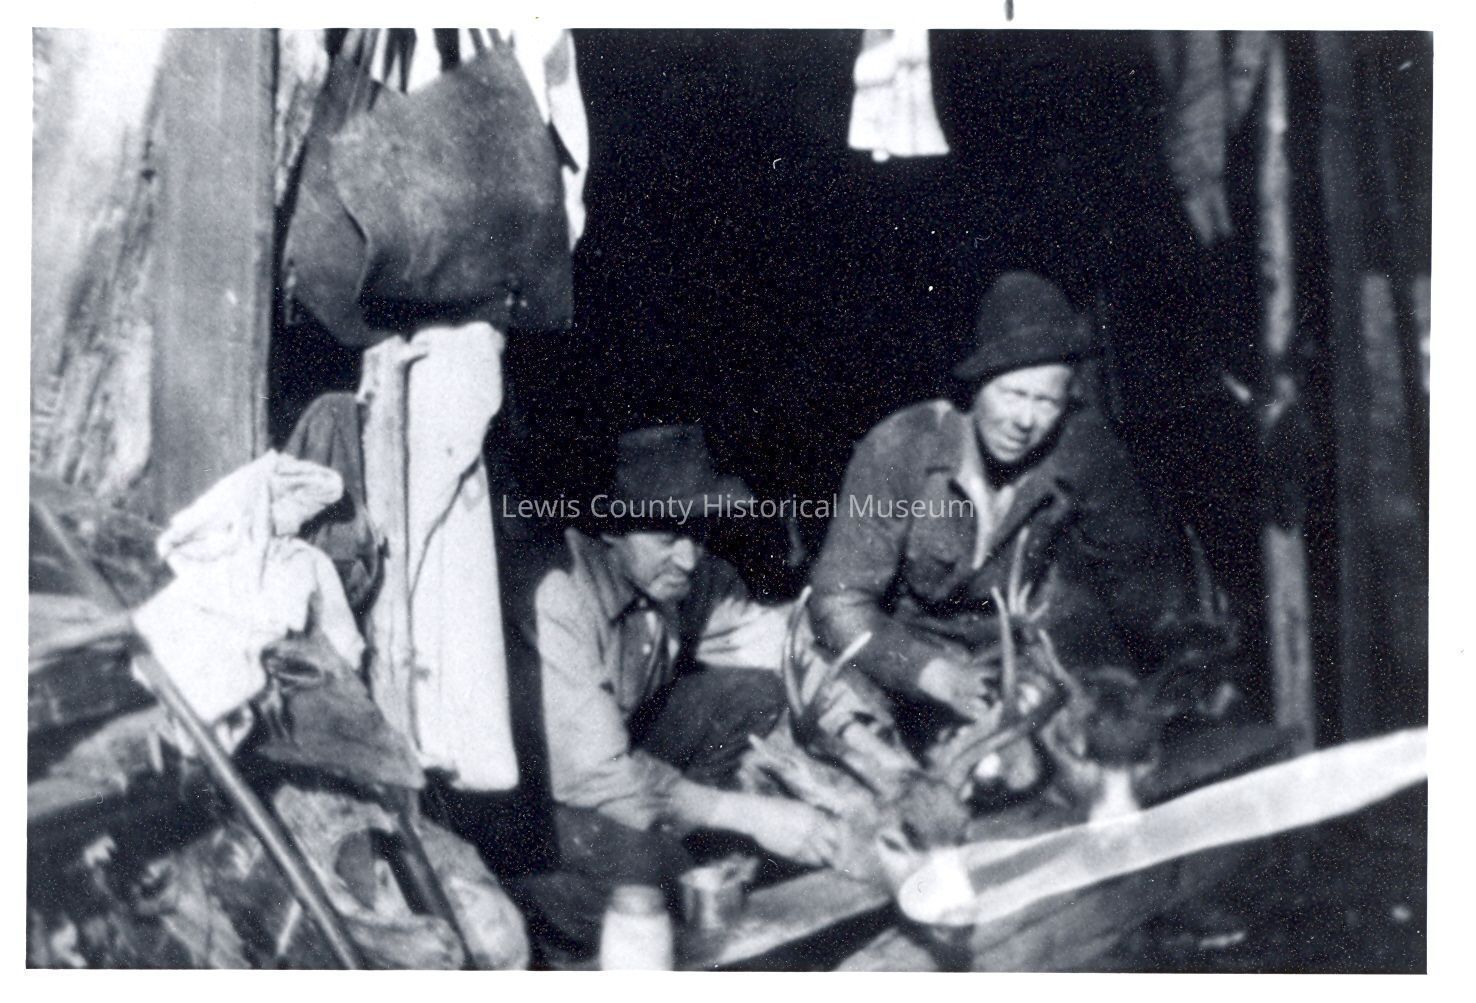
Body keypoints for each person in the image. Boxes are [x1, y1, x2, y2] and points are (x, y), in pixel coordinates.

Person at [809, 271, 1199, 751]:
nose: (1025, 420)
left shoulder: (1082, 449)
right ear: (975, 388)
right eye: (1013, 394)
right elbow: (839, 603)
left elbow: (1134, 570)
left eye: (1047, 401)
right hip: (896, 656)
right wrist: (933, 675)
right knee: (846, 733)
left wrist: (1182, 642)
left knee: (1088, 743)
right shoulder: (902, 447)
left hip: (1010, 657)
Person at [509, 424, 842, 957]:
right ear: (610, 530)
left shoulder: (684, 573)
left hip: (614, 757)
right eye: (667, 539)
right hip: (541, 798)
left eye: (697, 532)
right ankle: (546, 918)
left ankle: (676, 842)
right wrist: (749, 814)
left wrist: (855, 724)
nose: (688, 558)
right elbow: (594, 774)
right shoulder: (557, 595)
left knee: (754, 693)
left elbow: (776, 649)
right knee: (655, 883)